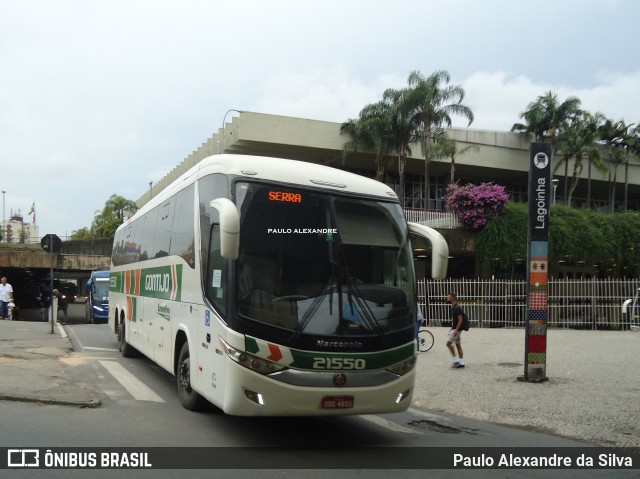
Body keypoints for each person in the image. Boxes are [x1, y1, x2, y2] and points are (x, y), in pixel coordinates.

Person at [446, 292, 465, 369]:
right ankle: (462, 363)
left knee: (448, 344)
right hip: (455, 329)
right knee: (458, 345)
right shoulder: (453, 306)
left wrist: (456, 330)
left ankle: (456, 361)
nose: (447, 298)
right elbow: (454, 320)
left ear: (453, 297)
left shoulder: (457, 307)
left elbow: (460, 319)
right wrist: (451, 328)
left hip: (457, 330)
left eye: (449, 296)